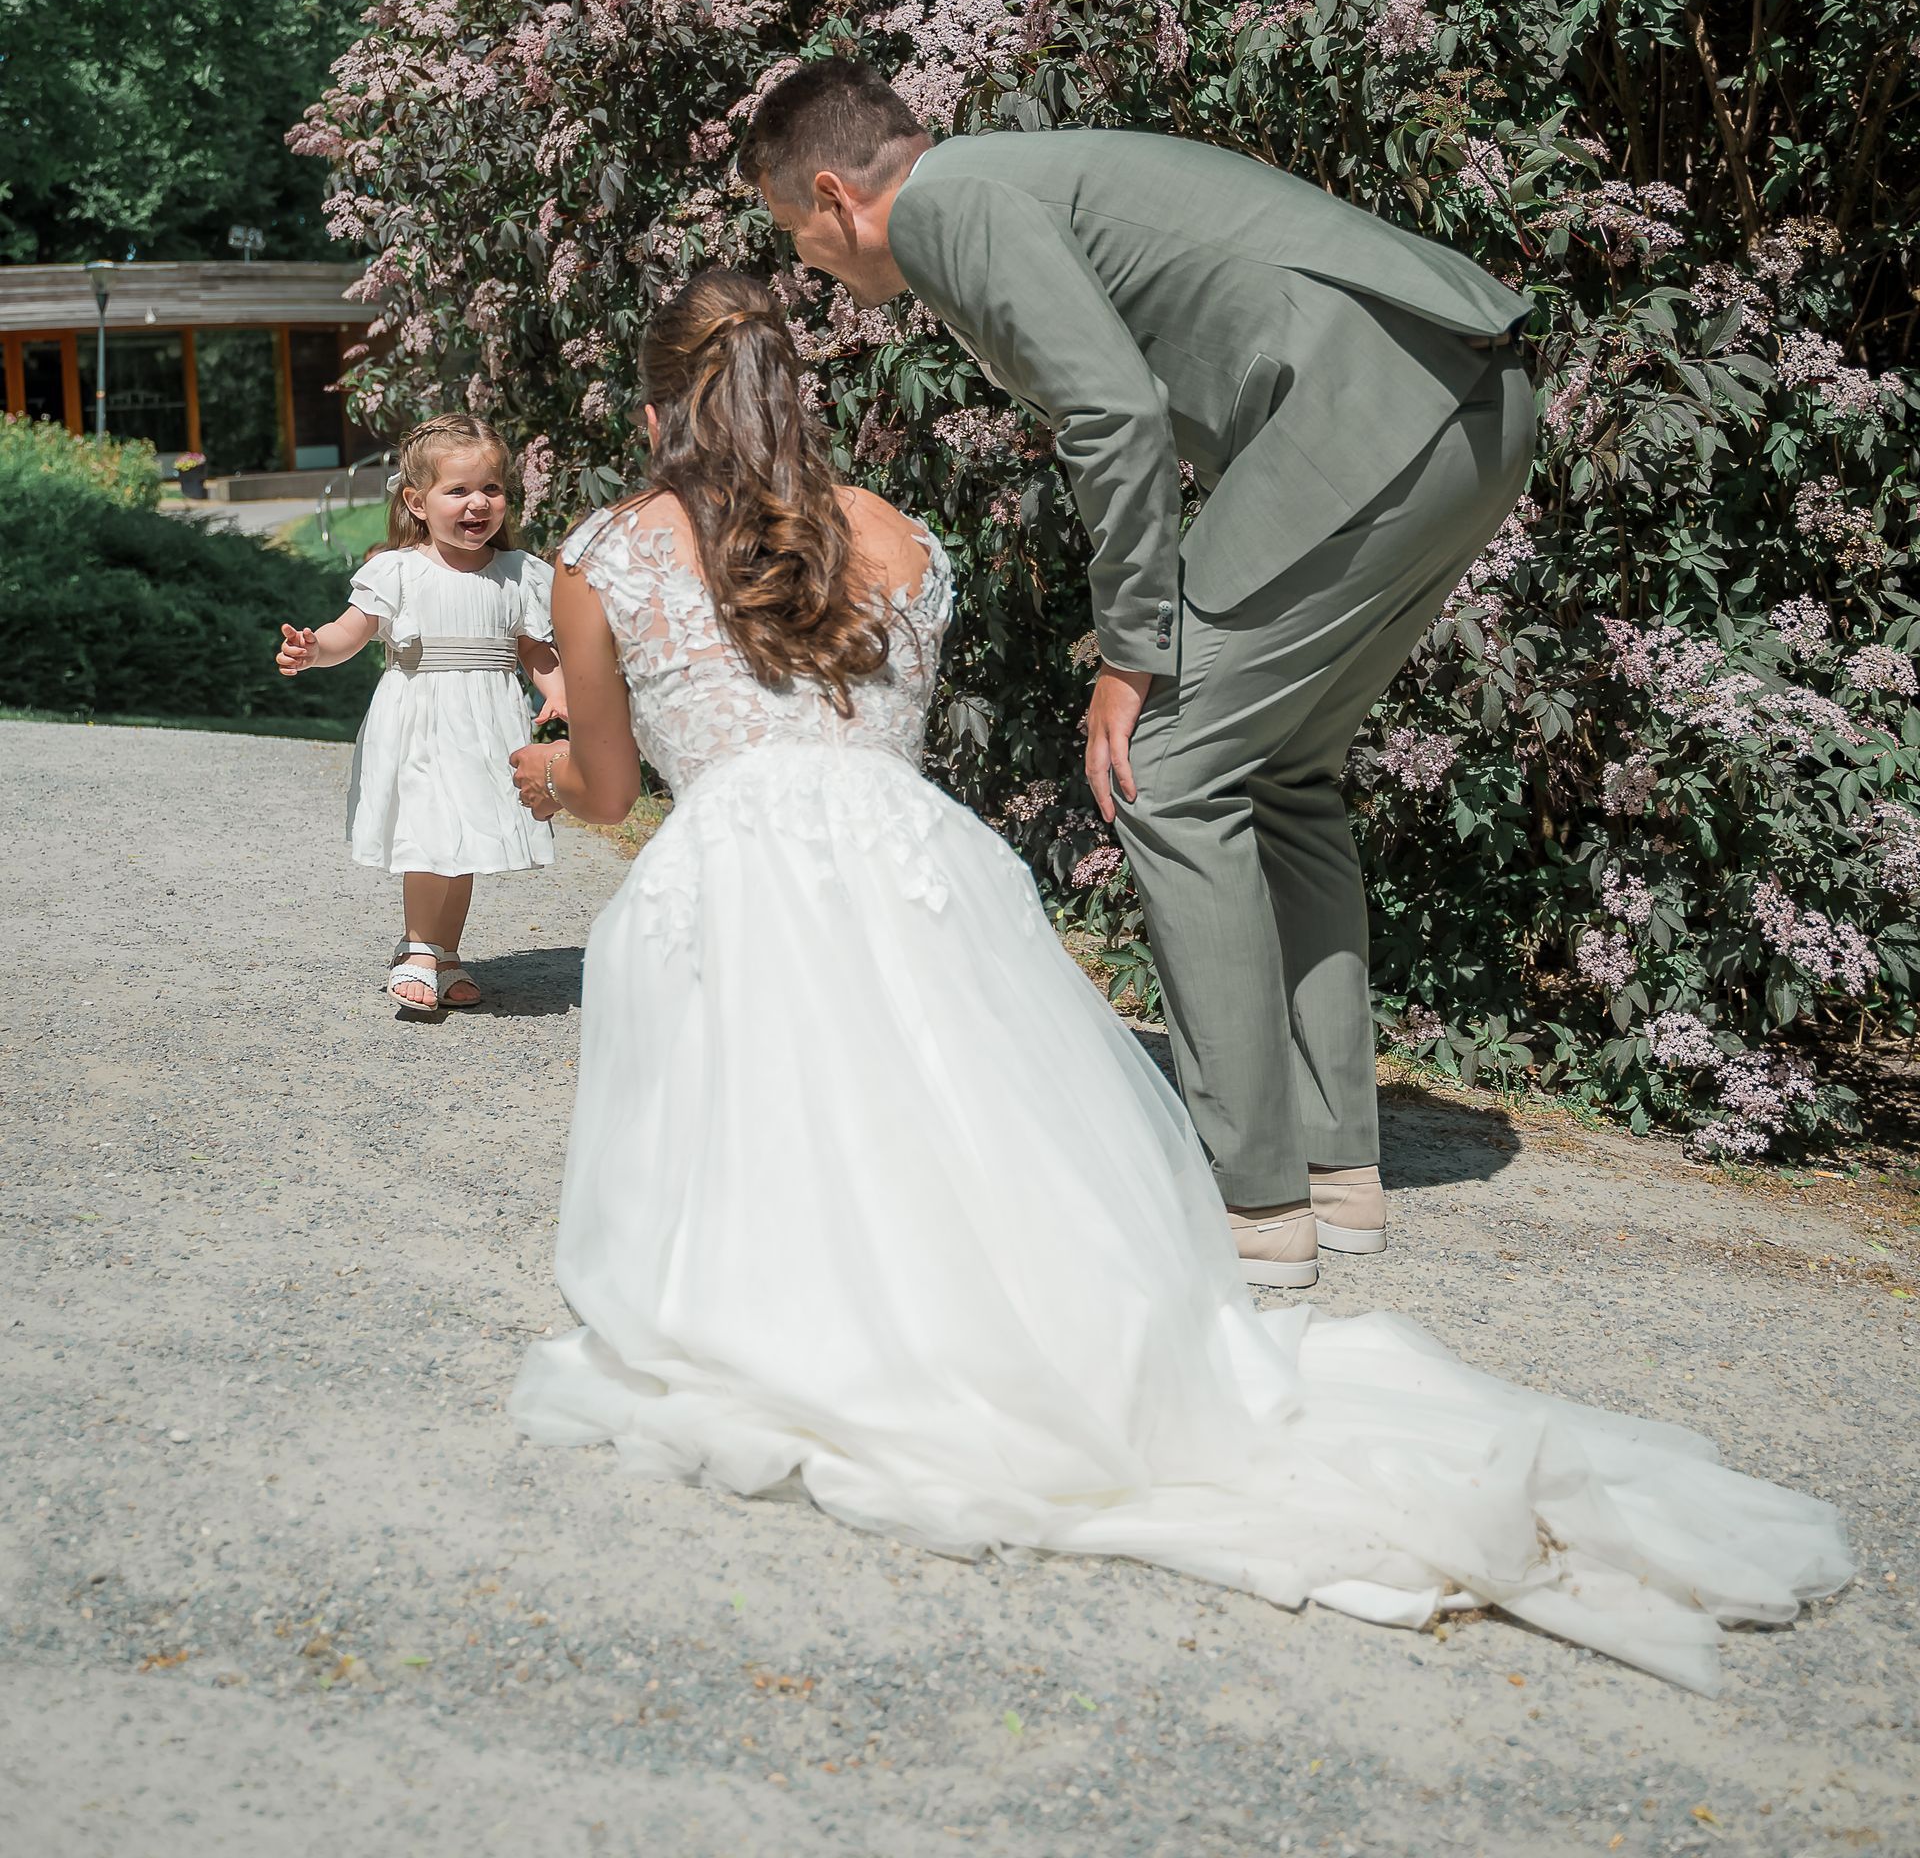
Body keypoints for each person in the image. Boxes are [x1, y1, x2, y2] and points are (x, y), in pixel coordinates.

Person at [505, 270, 1848, 1694]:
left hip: (743, 864)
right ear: (798, 390)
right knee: (952, 1114)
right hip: (920, 860)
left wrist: (538, 769)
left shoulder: (607, 552)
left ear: (661, 410)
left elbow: (602, 787)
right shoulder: (904, 543)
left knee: (776, 1069)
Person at [737, 61, 1535, 1293]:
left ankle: (1249, 1197)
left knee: (1160, 767)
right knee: (1285, 772)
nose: (816, 267)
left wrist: (1130, 652)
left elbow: (1114, 415)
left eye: (801, 238)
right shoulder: (1009, 179)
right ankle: (1333, 1169)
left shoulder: (952, 206)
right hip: (1466, 406)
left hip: (1377, 414)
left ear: (836, 195)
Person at [277, 412, 564, 1014]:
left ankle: (448, 953)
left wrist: (559, 692)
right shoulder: (399, 571)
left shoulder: (518, 574)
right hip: (420, 723)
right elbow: (349, 634)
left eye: (490, 489)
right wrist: (313, 650)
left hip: (487, 727)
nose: (477, 503)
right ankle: (417, 950)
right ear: (417, 500)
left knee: (461, 843)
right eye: (457, 490)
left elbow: (534, 650)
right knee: (428, 832)